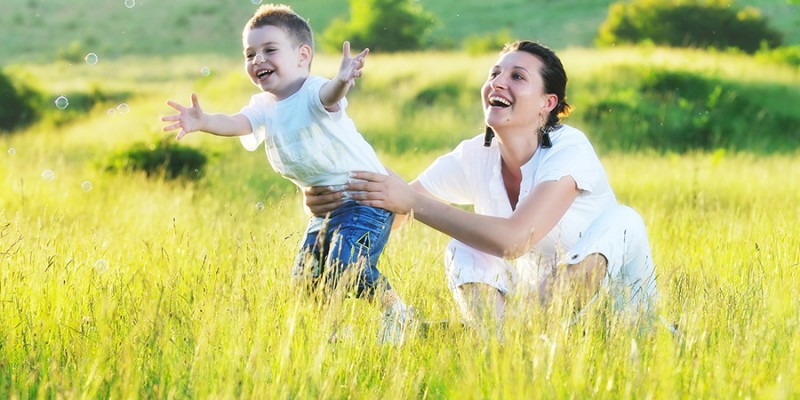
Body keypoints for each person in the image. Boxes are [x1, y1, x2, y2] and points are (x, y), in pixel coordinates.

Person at [305, 40, 658, 329]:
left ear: (547, 103)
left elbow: (515, 240)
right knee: (465, 247)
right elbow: (394, 211)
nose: (498, 83)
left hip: (619, 318)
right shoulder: (476, 154)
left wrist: (411, 202)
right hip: (541, 326)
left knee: (623, 220)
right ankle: (502, 341)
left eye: (517, 77)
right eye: (494, 74)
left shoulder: (570, 149)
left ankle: (515, 332)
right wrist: (333, 192)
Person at [161, 4, 411, 342]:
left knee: (345, 263)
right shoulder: (264, 106)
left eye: (269, 50)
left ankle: (396, 311)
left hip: (365, 201)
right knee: (305, 277)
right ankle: (334, 333)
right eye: (250, 54)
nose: (258, 59)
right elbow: (237, 123)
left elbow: (329, 96)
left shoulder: (313, 91)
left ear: (302, 55)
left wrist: (341, 80)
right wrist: (203, 122)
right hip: (327, 210)